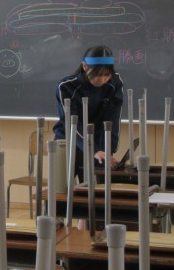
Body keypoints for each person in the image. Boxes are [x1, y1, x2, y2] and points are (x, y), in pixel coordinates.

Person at [53, 45, 124, 182]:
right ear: (85, 66)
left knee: (96, 188)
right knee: (62, 188)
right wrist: (93, 149)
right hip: (69, 140)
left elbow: (113, 120)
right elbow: (72, 125)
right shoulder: (67, 86)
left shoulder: (115, 83)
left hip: (96, 142)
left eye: (107, 75)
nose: (102, 79)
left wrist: (108, 151)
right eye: (97, 74)